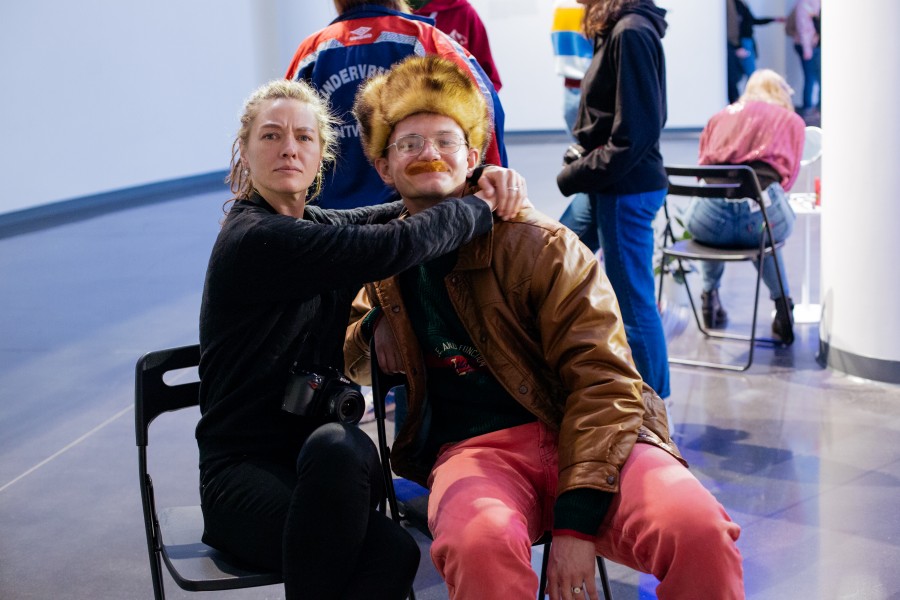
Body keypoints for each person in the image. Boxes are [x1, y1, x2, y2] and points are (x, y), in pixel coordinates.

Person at [345, 54, 744, 600]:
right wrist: (373, 327)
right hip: (475, 452)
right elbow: (352, 354)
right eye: (409, 143)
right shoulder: (384, 259)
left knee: (699, 530)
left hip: (593, 434)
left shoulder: (541, 246)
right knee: (477, 544)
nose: (428, 153)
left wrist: (575, 525)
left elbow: (605, 381)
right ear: (384, 166)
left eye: (445, 139)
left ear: (472, 157)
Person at [196, 77, 526, 600]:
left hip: (313, 464)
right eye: (271, 135)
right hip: (241, 477)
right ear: (245, 150)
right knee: (377, 546)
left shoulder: (310, 223)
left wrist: (473, 176)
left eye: (304, 137)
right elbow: (391, 243)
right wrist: (479, 208)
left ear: (321, 154)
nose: (288, 148)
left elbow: (385, 214)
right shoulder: (255, 239)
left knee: (363, 488)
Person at [285, 0, 507, 211]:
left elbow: (280, 128)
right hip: (415, 217)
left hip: (328, 218)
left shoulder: (313, 51)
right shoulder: (423, 39)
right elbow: (485, 110)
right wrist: (491, 181)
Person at [556, 0, 671, 401]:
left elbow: (635, 135)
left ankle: (655, 410)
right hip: (609, 183)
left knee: (635, 306)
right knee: (553, 261)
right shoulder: (618, 28)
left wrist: (576, 173)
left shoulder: (630, 32)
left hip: (625, 188)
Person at [685, 69, 805, 345]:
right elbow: (788, 180)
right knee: (766, 235)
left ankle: (709, 298)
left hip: (709, 219)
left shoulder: (719, 117)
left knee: (716, 232)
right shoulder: (791, 121)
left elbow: (701, 168)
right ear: (781, 92)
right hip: (762, 216)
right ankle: (783, 307)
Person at [552, 0, 600, 253]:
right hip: (581, 86)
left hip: (580, 87)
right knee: (591, 167)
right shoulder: (579, 8)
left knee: (592, 167)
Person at [413, 0, 503, 91]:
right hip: (410, 94)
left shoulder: (465, 13)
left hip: (457, 97)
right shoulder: (404, 13)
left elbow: (488, 79)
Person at [727, 0, 784, 103]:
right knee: (749, 76)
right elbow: (732, 25)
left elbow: (751, 21)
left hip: (747, 42)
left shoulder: (742, 4)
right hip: (742, 43)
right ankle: (749, 103)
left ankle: (751, 102)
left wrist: (772, 19)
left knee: (749, 75)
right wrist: (737, 46)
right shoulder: (733, 3)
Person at [787, 0, 821, 120]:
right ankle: (809, 108)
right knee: (811, 78)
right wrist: (807, 49)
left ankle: (813, 108)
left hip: (812, 45)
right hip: (809, 46)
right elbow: (804, 28)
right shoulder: (805, 4)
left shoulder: (812, 4)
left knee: (813, 78)